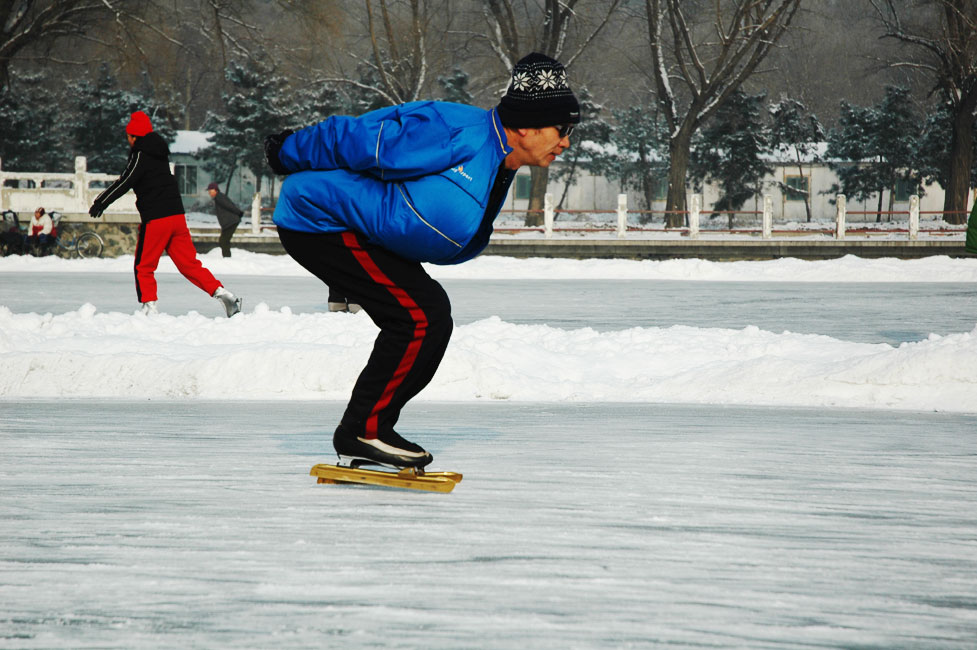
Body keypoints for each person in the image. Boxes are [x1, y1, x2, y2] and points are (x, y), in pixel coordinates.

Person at [265, 52, 579, 469]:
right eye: (563, 130)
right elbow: (363, 139)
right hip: (319, 222)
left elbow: (419, 215)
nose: (567, 142)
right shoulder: (455, 132)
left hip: (360, 232)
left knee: (429, 318)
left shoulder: (497, 158)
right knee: (420, 318)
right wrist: (288, 150)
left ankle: (371, 427)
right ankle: (363, 430)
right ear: (527, 125)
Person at [89, 111, 242, 317]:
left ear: (134, 136)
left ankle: (149, 308)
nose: (128, 141)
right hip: (177, 217)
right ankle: (222, 293)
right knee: (189, 264)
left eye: (128, 137)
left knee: (144, 265)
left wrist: (101, 202)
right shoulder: (160, 154)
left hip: (156, 219)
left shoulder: (140, 154)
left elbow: (125, 181)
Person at [206, 181, 244, 258]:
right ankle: (227, 257)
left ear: (215, 189)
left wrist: (239, 213)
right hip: (228, 223)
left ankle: (227, 258)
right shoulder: (218, 197)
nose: (209, 193)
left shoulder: (219, 197)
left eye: (210, 191)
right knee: (223, 241)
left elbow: (229, 205)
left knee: (223, 241)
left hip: (231, 222)